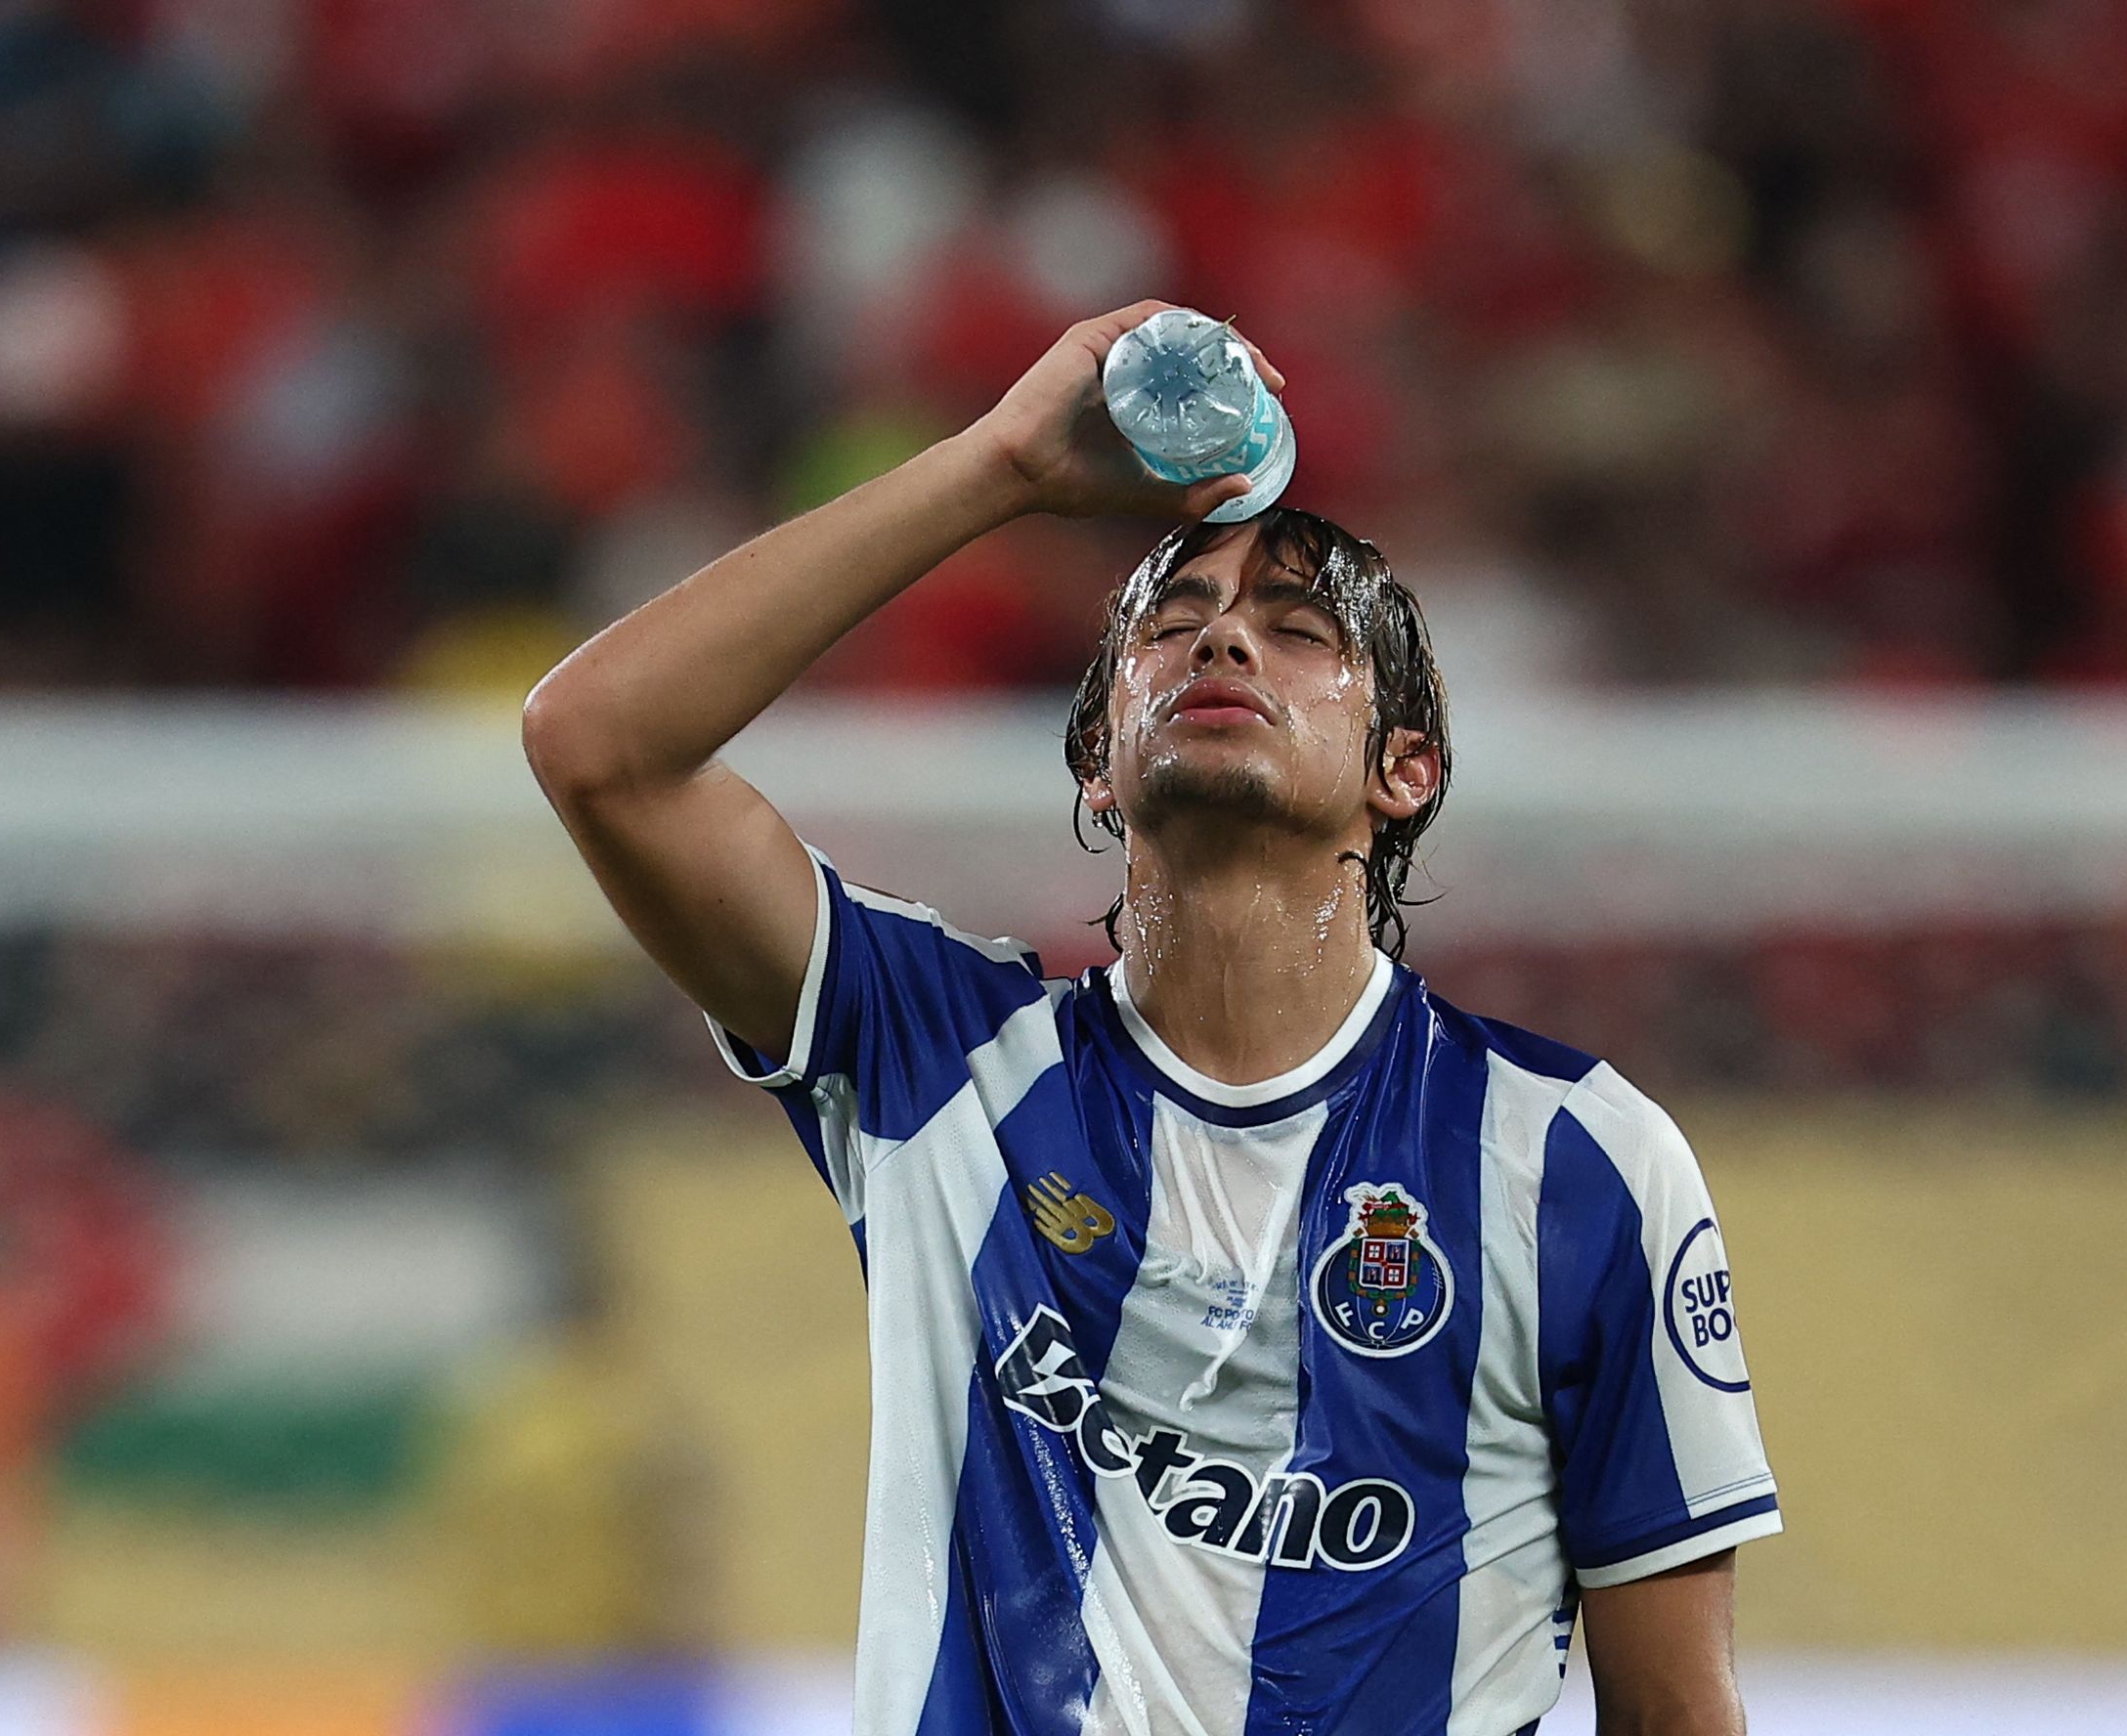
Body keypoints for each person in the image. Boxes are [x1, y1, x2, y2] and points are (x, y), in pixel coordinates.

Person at [524, 300, 1778, 1735]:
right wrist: (999, 466)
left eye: (1298, 632)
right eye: (1173, 625)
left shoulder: (1580, 1162)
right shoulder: (941, 1063)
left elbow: (1677, 1710)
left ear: (1408, 769)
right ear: (1099, 766)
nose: (1225, 640)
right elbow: (597, 746)